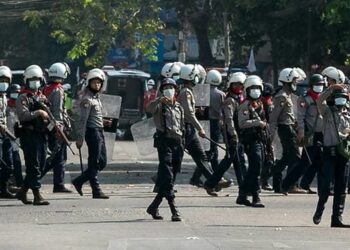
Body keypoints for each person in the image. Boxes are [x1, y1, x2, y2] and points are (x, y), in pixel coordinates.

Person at [177, 64, 228, 196]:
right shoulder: (185, 92)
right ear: (191, 77)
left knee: (201, 157)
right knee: (175, 159)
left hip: (190, 130)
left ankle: (211, 183)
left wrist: (197, 111)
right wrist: (200, 128)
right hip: (186, 129)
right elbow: (188, 113)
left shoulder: (189, 91)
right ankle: (163, 184)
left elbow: (189, 110)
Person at [146, 78, 184, 222]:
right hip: (164, 143)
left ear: (175, 90)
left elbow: (182, 127)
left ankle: (154, 206)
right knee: (167, 176)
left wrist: (183, 143)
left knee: (169, 178)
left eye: (171, 87)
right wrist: (158, 100)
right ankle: (174, 209)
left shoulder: (179, 107)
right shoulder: (159, 106)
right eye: (166, 87)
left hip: (177, 143)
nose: (169, 89)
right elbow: (148, 109)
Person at [313, 83, 350, 227]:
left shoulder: (348, 114)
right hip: (330, 154)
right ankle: (319, 210)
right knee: (326, 187)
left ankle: (337, 218)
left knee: (341, 187)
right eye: (338, 97)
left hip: (344, 154)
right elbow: (319, 100)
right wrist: (331, 89)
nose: (341, 100)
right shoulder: (327, 112)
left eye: (344, 98)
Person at [281, 74, 325, 194]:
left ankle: (305, 184)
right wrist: (301, 132)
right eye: (317, 85)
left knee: (318, 161)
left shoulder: (323, 98)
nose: (319, 87)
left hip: (322, 134)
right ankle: (285, 184)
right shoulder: (305, 99)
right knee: (305, 162)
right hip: (310, 135)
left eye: (321, 85)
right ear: (311, 86)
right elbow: (300, 117)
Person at [204, 72, 246, 191]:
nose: (239, 87)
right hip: (231, 134)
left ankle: (243, 186)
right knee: (230, 160)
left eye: (240, 85)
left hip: (235, 133)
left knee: (238, 161)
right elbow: (229, 119)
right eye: (236, 85)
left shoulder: (238, 99)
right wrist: (233, 134)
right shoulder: (229, 100)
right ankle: (211, 183)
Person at [72, 68, 110, 199]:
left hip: (99, 131)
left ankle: (80, 180)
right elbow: (83, 120)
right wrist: (80, 138)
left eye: (99, 83)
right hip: (92, 133)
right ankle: (96, 189)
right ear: (89, 83)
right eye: (94, 83)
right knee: (94, 161)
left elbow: (95, 116)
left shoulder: (96, 98)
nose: (97, 85)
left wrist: (104, 122)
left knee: (102, 161)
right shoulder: (87, 100)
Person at [15, 65, 50, 205]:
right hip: (28, 135)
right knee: (33, 164)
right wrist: (38, 113)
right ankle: (37, 195)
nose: (35, 82)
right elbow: (23, 115)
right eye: (32, 79)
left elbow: (49, 114)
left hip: (41, 134)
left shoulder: (41, 97)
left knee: (41, 164)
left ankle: (22, 191)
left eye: (37, 79)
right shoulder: (23, 97)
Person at [269, 67, 306, 194]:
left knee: (286, 158)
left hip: (290, 128)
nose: (296, 83)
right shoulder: (281, 97)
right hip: (285, 129)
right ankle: (288, 185)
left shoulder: (289, 96)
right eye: (294, 80)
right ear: (288, 80)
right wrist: (271, 134)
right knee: (296, 158)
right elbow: (274, 118)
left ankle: (267, 175)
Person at [41, 62, 72, 193]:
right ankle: (57, 184)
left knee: (55, 155)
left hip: (47, 125)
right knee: (58, 156)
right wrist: (59, 128)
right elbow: (58, 111)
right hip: (56, 126)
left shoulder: (45, 88)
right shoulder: (58, 90)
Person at [236, 75, 266, 207]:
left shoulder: (260, 104)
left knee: (255, 168)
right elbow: (242, 123)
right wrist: (257, 122)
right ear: (247, 90)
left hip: (260, 139)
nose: (255, 91)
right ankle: (255, 196)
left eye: (257, 88)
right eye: (252, 88)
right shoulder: (245, 105)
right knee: (256, 167)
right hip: (250, 140)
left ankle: (242, 194)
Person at [0, 66, 15, 199]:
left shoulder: (5, 97)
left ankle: (4, 188)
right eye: (1, 80)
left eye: (5, 80)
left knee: (9, 164)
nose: (3, 83)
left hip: (5, 133)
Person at [6, 84, 23, 189]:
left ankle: (19, 182)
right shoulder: (5, 106)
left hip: (16, 137)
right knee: (9, 161)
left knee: (16, 161)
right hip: (6, 137)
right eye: (13, 93)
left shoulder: (20, 105)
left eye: (17, 93)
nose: (15, 95)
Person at [260, 82, 275, 190]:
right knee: (267, 158)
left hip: (268, 131)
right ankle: (263, 181)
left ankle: (264, 181)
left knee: (268, 157)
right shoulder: (259, 102)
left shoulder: (268, 101)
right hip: (263, 131)